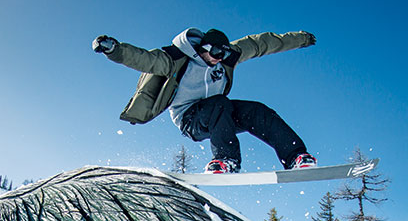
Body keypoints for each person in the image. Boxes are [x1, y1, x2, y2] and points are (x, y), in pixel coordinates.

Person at [93, 28, 317, 174]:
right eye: (216, 52)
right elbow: (144, 59)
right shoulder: (175, 60)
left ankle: (295, 157)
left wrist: (300, 39)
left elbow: (261, 44)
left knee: (257, 111)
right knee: (219, 103)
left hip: (221, 115)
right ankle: (227, 160)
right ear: (203, 48)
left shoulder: (227, 57)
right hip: (191, 119)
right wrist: (114, 50)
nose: (219, 58)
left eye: (224, 53)